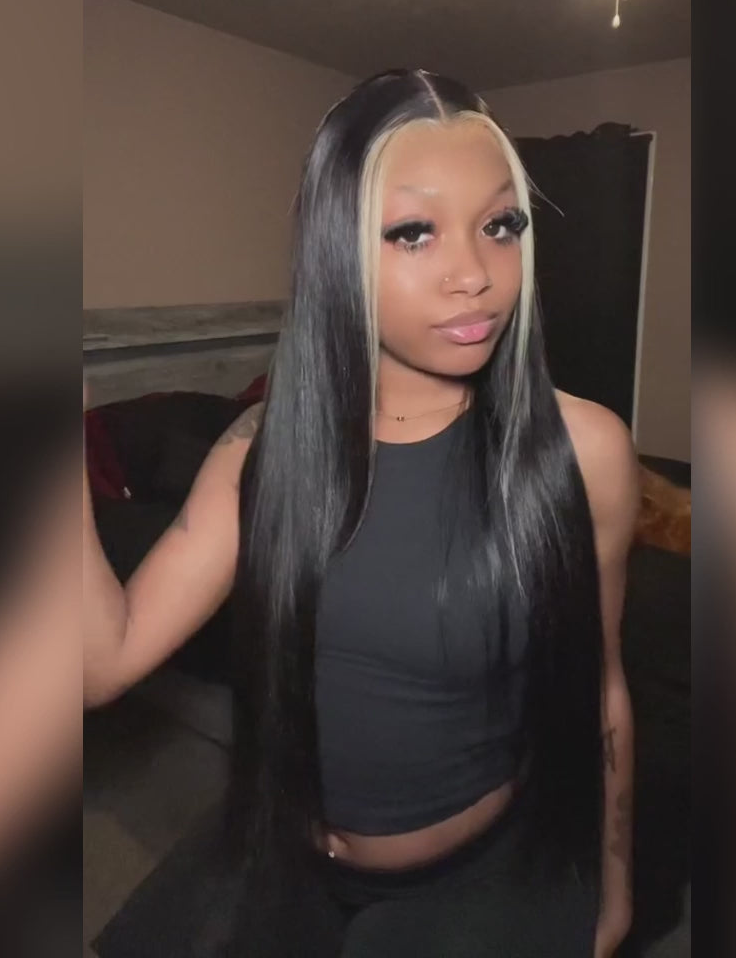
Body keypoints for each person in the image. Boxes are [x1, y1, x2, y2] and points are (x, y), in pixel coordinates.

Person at [83, 69, 639, 957]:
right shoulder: (259, 450)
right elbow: (100, 663)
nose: (475, 274)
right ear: (334, 252)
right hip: (280, 853)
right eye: (414, 232)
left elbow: (601, 688)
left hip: (478, 879)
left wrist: (614, 887)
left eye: (500, 225)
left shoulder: (585, 449)